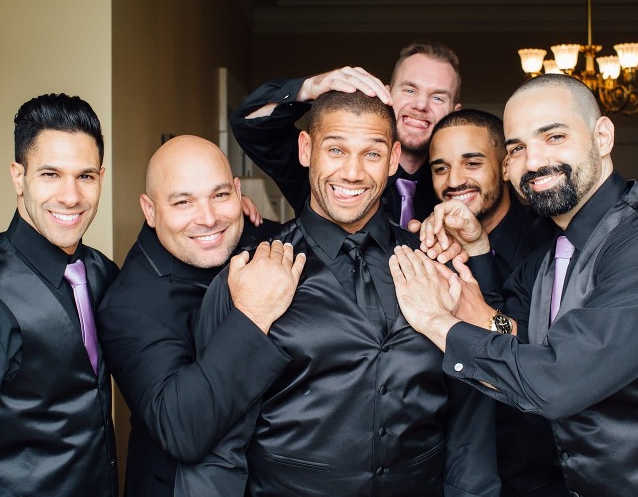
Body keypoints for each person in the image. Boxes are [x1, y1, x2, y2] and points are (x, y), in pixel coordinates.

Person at [391, 73, 638, 497]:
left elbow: (558, 378)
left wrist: (434, 321)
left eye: (554, 136)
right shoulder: (550, 254)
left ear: (603, 136)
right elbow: (518, 337)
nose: (534, 161)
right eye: (518, 147)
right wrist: (478, 264)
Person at [179, 91, 500, 497]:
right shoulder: (247, 276)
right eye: (336, 149)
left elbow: (469, 424)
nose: (352, 172)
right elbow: (216, 448)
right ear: (306, 149)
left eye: (371, 153)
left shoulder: (438, 263)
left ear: (393, 157)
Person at [96, 135, 305, 497]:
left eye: (220, 195)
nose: (208, 218)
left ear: (238, 193)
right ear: (150, 210)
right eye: (183, 202)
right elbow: (182, 430)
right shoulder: (127, 306)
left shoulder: (256, 237)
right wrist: (253, 314)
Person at [0, 93, 118, 496]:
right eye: (51, 174)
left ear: (101, 178)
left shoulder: (102, 273)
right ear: (18, 177)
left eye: (85, 176)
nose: (71, 196)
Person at [423, 110, 566, 496]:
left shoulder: (554, 243)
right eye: (440, 168)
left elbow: (536, 347)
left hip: (548, 474)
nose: (454, 181)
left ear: (505, 167)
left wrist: (480, 259)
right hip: (464, 475)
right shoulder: (427, 248)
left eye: (472, 162)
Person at [230, 39, 462, 226]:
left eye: (438, 97)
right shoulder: (325, 163)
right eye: (410, 89)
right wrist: (309, 88)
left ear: (454, 111)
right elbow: (248, 123)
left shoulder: (459, 185)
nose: (421, 105)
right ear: (387, 92)